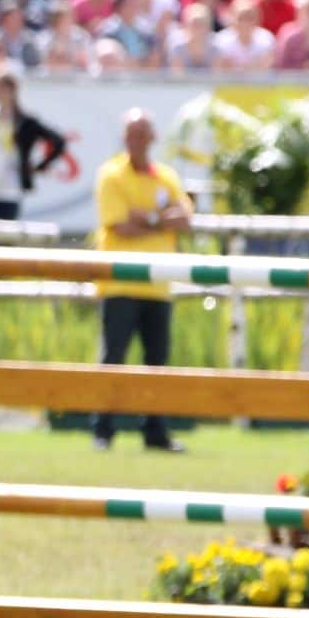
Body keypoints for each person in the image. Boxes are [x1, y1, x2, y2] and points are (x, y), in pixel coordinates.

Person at [91, 109, 192, 453]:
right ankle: (102, 430)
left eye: (143, 135)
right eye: (133, 135)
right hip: (120, 281)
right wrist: (160, 220)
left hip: (159, 283)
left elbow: (185, 218)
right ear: (124, 139)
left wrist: (145, 218)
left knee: (157, 362)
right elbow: (120, 225)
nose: (138, 142)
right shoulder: (110, 175)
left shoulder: (166, 176)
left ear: (152, 139)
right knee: (113, 358)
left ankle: (155, 431)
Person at [0, 68, 65, 221]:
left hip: (11, 187)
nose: (0, 93)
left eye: (4, 88)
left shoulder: (25, 121)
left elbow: (58, 140)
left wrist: (40, 166)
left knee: (5, 237)